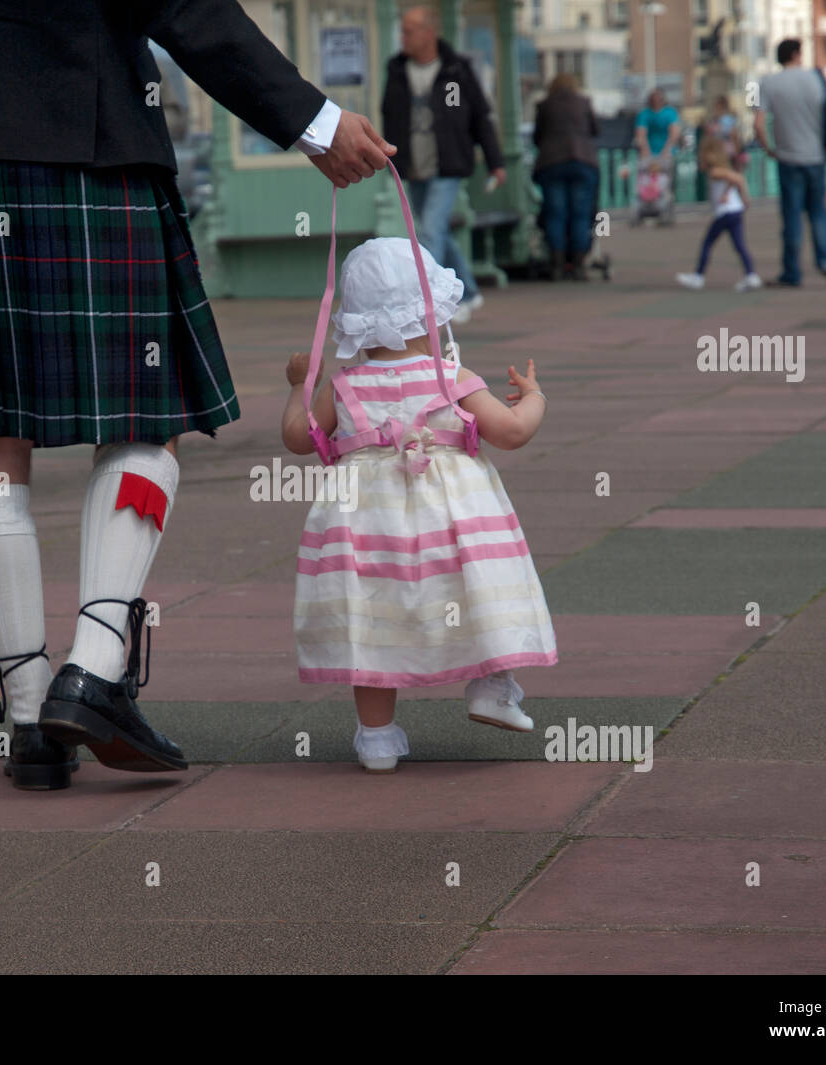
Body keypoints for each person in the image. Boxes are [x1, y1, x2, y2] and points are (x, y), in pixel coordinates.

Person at [0, 0, 396, 790]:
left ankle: (28, 715)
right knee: (142, 413)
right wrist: (313, 120)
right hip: (84, 132)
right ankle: (91, 670)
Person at [281, 237, 558, 773]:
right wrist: (536, 397)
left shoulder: (342, 386)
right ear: (431, 313)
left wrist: (299, 386)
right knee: (473, 588)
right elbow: (513, 431)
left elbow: (299, 437)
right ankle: (491, 687)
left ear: (357, 323)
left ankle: (377, 739)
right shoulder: (453, 379)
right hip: (452, 521)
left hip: (365, 525)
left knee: (371, 615)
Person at [381, 6, 506, 324]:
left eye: (409, 30)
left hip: (448, 164)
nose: (403, 37)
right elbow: (389, 115)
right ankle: (469, 291)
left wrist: (496, 162)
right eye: (402, 30)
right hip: (413, 165)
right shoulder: (396, 69)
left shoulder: (457, 70)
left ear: (429, 33)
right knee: (437, 232)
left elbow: (480, 117)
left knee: (431, 231)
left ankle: (432, 306)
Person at [754, 38, 826, 285]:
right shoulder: (817, 78)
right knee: (818, 212)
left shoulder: (768, 83)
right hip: (816, 156)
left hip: (787, 158)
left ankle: (792, 272)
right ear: (796, 54)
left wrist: (769, 150)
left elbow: (758, 124)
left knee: (792, 216)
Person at [532, 73, 600, 280]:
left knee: (556, 214)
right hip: (583, 162)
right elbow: (595, 130)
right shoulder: (584, 102)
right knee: (581, 214)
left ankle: (558, 264)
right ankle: (579, 264)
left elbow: (538, 136)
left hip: (552, 163)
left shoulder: (544, 105)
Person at [676, 134, 761, 292]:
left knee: (708, 243)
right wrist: (728, 192)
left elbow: (738, 179)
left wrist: (745, 198)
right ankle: (751, 275)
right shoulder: (721, 168)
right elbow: (733, 179)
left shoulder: (716, 171)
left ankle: (698, 276)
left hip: (726, 212)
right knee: (739, 245)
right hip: (734, 211)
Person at [634, 88, 681, 162]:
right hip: (647, 155)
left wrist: (666, 151)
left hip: (668, 154)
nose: (656, 100)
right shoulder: (643, 114)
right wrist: (646, 153)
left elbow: (674, 134)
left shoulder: (671, 113)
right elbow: (641, 136)